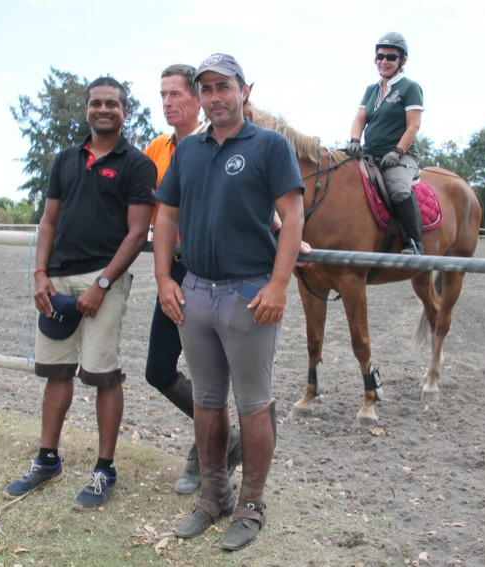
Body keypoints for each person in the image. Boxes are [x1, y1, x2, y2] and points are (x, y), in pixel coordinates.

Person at [153, 53, 304, 551]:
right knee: (206, 401)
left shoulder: (270, 146)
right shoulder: (189, 152)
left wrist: (279, 285)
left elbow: (293, 216)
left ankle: (252, 503)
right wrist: (163, 280)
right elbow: (167, 217)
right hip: (195, 291)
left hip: (248, 295)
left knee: (254, 405)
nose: (216, 96)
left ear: (245, 90)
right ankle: (212, 495)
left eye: (225, 86)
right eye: (208, 88)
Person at [3, 77, 157, 511]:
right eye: (96, 103)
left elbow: (136, 233)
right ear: (86, 109)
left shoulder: (137, 164)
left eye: (112, 104)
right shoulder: (65, 160)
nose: (103, 110)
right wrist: (39, 274)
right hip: (56, 280)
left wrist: (103, 284)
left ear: (125, 112)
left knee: (102, 374)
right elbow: (48, 222)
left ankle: (104, 468)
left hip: (102, 279)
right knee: (56, 371)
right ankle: (47, 459)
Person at [143, 64, 242, 495]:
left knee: (211, 374)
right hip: (175, 268)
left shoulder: (217, 144)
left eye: (176, 95)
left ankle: (204, 455)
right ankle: (226, 439)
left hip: (212, 269)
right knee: (158, 368)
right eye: (162, 95)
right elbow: (152, 212)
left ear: (197, 99)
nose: (168, 103)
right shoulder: (156, 150)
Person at [345, 31, 425, 254]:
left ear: (402, 60)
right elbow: (360, 118)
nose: (384, 61)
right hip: (370, 155)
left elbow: (413, 126)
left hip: (401, 157)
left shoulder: (410, 88)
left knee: (398, 190)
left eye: (391, 57)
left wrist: (398, 152)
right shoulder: (371, 90)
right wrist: (354, 141)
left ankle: (414, 242)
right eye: (380, 56)